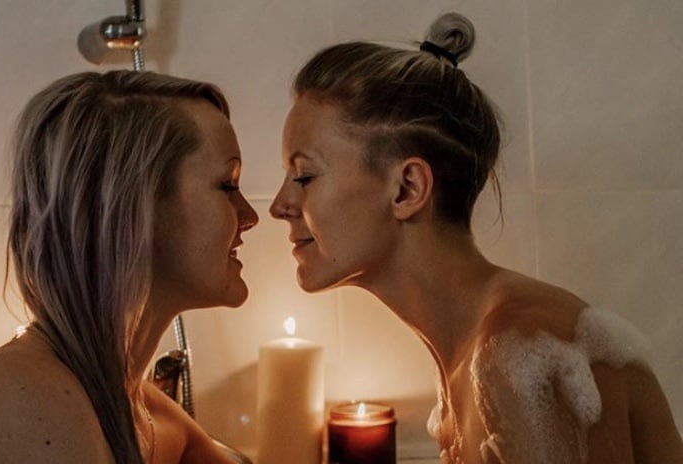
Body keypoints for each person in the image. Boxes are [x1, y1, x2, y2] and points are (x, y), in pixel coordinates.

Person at [270, 12, 683, 464]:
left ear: (407, 189)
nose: (279, 205)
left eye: (303, 175)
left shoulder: (520, 354)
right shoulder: (478, 355)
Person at [0, 70, 258, 464]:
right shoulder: (21, 400)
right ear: (135, 209)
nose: (249, 215)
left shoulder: (139, 408)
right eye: (227, 185)